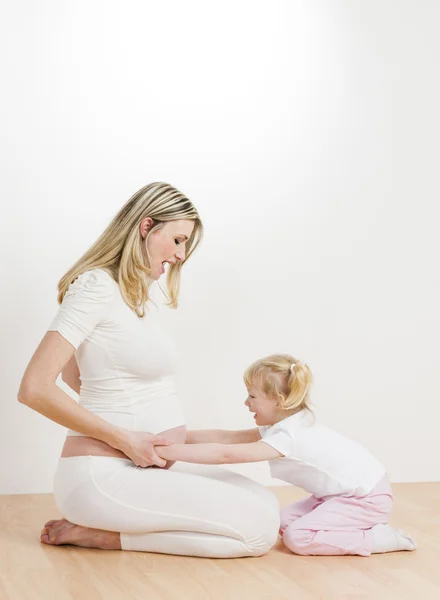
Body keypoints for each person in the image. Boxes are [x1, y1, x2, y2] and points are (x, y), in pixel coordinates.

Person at [18, 182, 280, 558]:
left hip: (147, 466)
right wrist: (125, 439)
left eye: (185, 244)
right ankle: (105, 536)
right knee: (257, 533)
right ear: (145, 227)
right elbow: (35, 388)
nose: (180, 254)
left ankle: (108, 528)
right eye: (176, 240)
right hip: (103, 476)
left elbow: (78, 377)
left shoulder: (132, 296)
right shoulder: (95, 286)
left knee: (266, 505)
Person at [154, 353, 417, 557]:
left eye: (252, 396)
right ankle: (352, 527)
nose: (246, 403)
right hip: (342, 495)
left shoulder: (288, 436)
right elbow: (227, 437)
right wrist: (176, 435)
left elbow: (227, 454)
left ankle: (379, 539)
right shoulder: (285, 424)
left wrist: (167, 452)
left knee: (298, 538)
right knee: (278, 523)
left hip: (366, 498)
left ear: (278, 401)